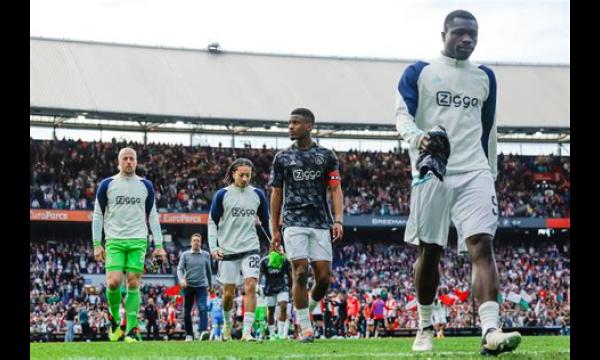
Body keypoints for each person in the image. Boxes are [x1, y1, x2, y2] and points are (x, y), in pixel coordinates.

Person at [395, 9, 521, 355]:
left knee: (482, 244)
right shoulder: (420, 72)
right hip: (432, 170)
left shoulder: (485, 77)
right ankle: (423, 326)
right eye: (460, 33)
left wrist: (490, 173)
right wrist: (418, 138)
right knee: (430, 251)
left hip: (475, 171)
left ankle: (491, 330)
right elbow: (401, 114)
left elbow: (489, 129)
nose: (467, 40)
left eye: (473, 35)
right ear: (444, 34)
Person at [269, 108, 344, 343]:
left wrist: (338, 218)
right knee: (299, 272)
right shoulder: (282, 157)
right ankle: (305, 328)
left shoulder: (327, 156)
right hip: (293, 221)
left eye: (295, 123)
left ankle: (306, 310)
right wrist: (275, 230)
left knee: (324, 278)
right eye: (289, 123)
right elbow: (276, 194)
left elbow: (335, 188)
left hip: (321, 222)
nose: (290, 127)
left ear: (309, 126)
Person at [92, 147, 166, 343]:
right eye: (124, 159)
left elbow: (152, 215)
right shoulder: (107, 184)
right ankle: (115, 320)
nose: (128, 162)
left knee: (133, 282)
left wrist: (158, 245)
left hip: (138, 240)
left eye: (131, 159)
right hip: (114, 241)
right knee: (113, 282)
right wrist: (97, 244)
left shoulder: (146, 185)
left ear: (136, 162)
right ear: (119, 162)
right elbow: (98, 214)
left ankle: (132, 329)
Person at [208, 158, 271, 341]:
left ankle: (246, 332)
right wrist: (213, 247)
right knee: (228, 293)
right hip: (228, 250)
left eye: (248, 175)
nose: (244, 178)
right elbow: (212, 221)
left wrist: (275, 242)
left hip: (251, 247)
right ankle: (228, 324)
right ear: (233, 173)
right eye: (241, 175)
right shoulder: (222, 195)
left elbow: (265, 222)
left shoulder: (258, 195)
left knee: (251, 286)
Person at [177, 233, 212, 341]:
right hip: (188, 286)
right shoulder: (185, 255)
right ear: (191, 242)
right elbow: (179, 269)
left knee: (203, 308)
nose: (196, 242)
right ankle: (189, 334)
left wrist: (210, 284)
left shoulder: (206, 255)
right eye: (194, 240)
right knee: (187, 311)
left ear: (201, 243)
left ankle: (203, 332)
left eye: (198, 241)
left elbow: (209, 271)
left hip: (202, 286)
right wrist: (182, 279)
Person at [259, 251, 292, 340]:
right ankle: (272, 334)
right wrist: (258, 286)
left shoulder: (284, 260)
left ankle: (280, 333)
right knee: (271, 311)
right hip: (269, 288)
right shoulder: (264, 261)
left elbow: (289, 275)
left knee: (284, 307)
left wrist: (292, 287)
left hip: (282, 287)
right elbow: (260, 275)